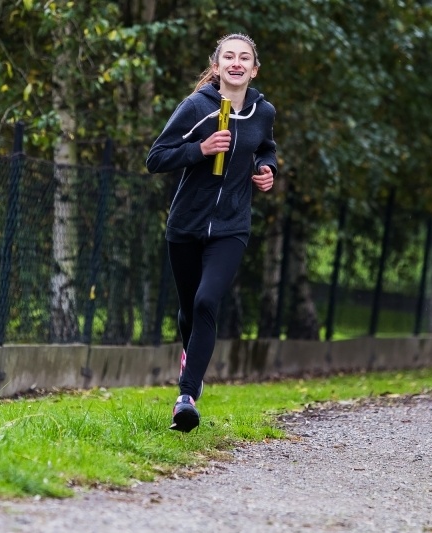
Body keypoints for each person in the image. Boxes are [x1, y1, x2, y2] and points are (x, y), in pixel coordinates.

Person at [146, 34, 277, 433]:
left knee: (206, 302)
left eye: (245, 58)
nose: (236, 64)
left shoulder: (262, 111)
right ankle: (193, 364)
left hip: (231, 227)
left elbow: (266, 148)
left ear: (254, 69)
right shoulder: (196, 107)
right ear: (217, 66)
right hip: (186, 225)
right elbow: (156, 158)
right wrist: (199, 151)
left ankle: (186, 397)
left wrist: (267, 170)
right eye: (229, 57)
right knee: (188, 309)